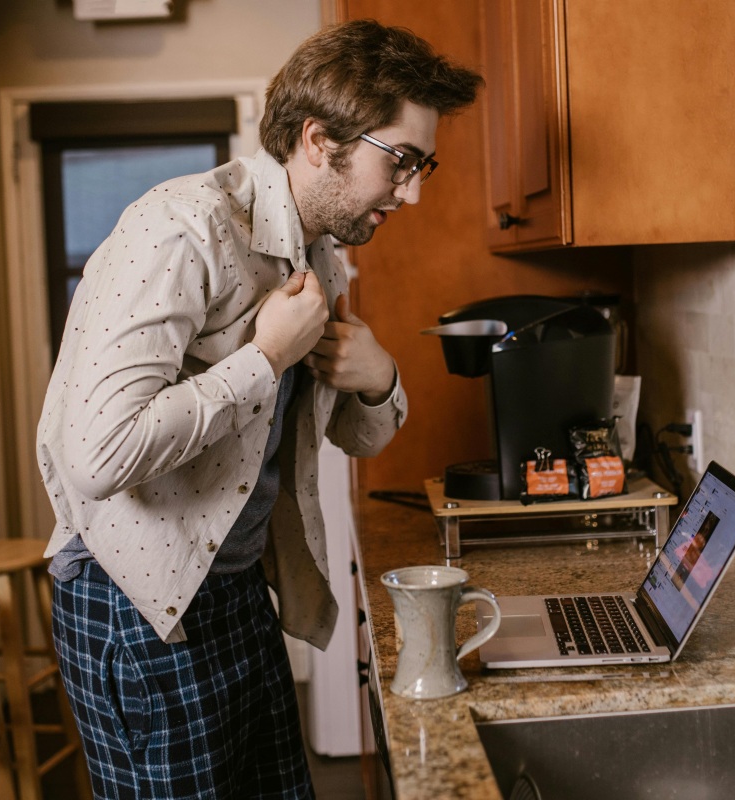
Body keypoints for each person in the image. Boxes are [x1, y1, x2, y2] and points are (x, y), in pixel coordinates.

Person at [36, 19, 482, 799]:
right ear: (319, 140)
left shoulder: (318, 257)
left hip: (237, 588)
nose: (412, 192)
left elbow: (354, 435)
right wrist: (265, 358)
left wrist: (380, 378)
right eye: (401, 161)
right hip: (138, 605)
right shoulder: (181, 229)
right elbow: (98, 456)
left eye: (423, 165)